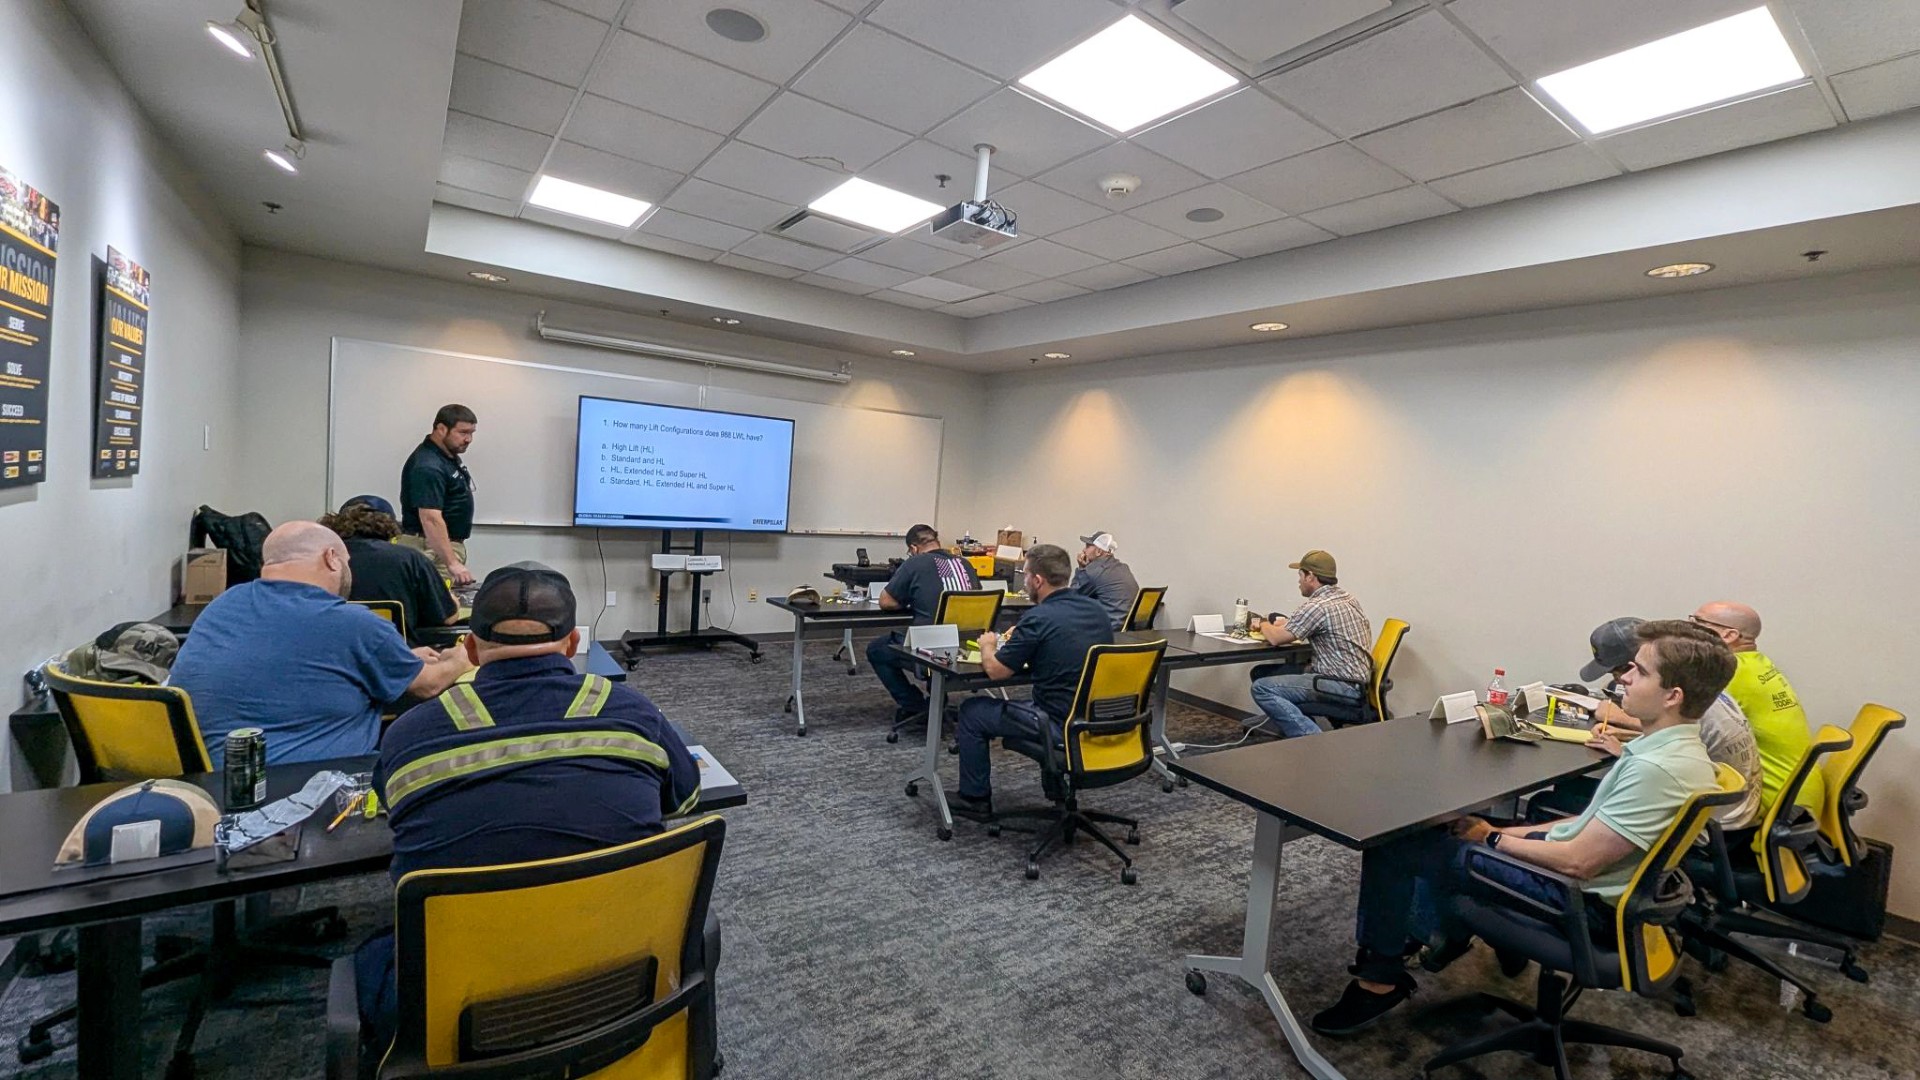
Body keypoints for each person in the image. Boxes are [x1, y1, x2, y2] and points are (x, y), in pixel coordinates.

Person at [1310, 619, 1728, 1036]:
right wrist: (1502, 831)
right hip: (1589, 880)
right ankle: (1453, 933)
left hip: (1572, 898)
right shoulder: (1679, 752)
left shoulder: (1655, 770)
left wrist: (1490, 838)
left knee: (1394, 845)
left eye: (1640, 671)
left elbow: (1578, 862)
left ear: (1672, 696)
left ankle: (1379, 981)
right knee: (1450, 829)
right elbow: (1589, 825)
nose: (1625, 678)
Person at [354, 562, 701, 1053]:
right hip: (619, 979)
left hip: (459, 1015)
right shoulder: (634, 711)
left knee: (370, 954)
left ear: (470, 650)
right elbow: (684, 798)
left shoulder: (408, 735)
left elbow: (397, 814)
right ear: (573, 644)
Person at [170, 522, 470, 766]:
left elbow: (293, 664)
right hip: (310, 784)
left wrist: (399, 659)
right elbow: (428, 685)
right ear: (331, 558)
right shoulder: (353, 623)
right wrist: (463, 656)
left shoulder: (222, 605)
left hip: (214, 781)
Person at [1531, 617, 1761, 830]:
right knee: (1571, 788)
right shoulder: (1704, 694)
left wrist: (1501, 837)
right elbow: (1675, 743)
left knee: (1547, 802)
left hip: (1715, 828)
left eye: (1637, 670)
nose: (1623, 679)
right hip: (1725, 812)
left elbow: (1665, 764)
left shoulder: (1696, 720)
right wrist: (1625, 743)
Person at [948, 544, 1113, 820]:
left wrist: (988, 645)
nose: (1024, 581)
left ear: (1037, 580)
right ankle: (1056, 791)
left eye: (1025, 575)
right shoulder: (1096, 610)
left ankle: (974, 798)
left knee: (973, 711)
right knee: (1049, 697)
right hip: (1097, 718)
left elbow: (997, 672)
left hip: (1057, 722)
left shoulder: (1038, 617)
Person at [1689, 601, 1823, 817]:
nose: (1689, 629)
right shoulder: (1757, 663)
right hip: (1800, 792)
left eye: (1697, 622)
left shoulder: (1729, 672)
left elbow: (1676, 723)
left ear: (1729, 635)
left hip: (1779, 805)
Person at [1245, 550, 1373, 737]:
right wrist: (1286, 624)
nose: (1299, 581)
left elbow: (1275, 639)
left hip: (1338, 684)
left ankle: (1311, 738)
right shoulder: (1346, 598)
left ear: (1310, 576)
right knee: (1261, 673)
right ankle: (1296, 725)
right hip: (1356, 681)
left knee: (1262, 688)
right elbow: (1310, 624)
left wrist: (1263, 623)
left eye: (1300, 575)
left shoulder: (1317, 606)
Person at [866, 523, 981, 726]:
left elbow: (886, 601)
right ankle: (936, 701)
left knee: (876, 650)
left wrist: (910, 600)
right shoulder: (965, 563)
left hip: (931, 652)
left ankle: (915, 706)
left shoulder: (915, 563)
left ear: (913, 548)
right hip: (968, 650)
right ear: (936, 541)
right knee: (934, 632)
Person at [319, 495, 458, 644]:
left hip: (333, 650)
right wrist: (451, 599)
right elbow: (447, 618)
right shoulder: (411, 559)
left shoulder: (323, 559)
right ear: (390, 525)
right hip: (398, 651)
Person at [398, 404, 478, 586]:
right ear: (441, 429)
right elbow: (430, 518)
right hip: (430, 548)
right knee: (436, 601)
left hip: (438, 546)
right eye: (463, 432)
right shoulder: (428, 465)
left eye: (471, 433)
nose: (468, 439)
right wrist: (452, 563)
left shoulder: (445, 456)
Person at [1070, 530, 1141, 631]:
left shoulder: (1094, 571)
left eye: (1088, 546)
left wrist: (1081, 568)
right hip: (1130, 630)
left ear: (1098, 551)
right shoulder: (1124, 567)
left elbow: (1072, 597)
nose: (1084, 550)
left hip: (1110, 631)